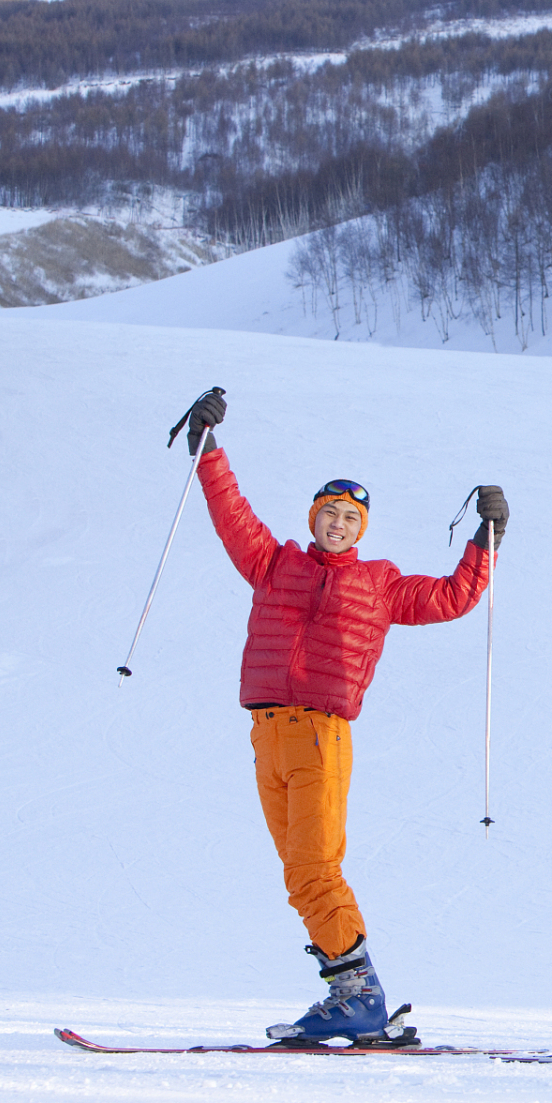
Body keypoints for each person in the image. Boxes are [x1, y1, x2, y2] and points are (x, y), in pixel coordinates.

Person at [178, 389, 501, 1045]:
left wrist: (486, 536)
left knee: (316, 867)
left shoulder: (378, 584)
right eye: (330, 514)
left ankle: (358, 994)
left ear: (363, 529)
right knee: (300, 873)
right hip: (267, 735)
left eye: (350, 519)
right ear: (314, 517)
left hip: (321, 736)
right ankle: (350, 990)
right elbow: (231, 514)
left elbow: (453, 598)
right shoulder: (275, 565)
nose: (338, 525)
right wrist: (207, 448)